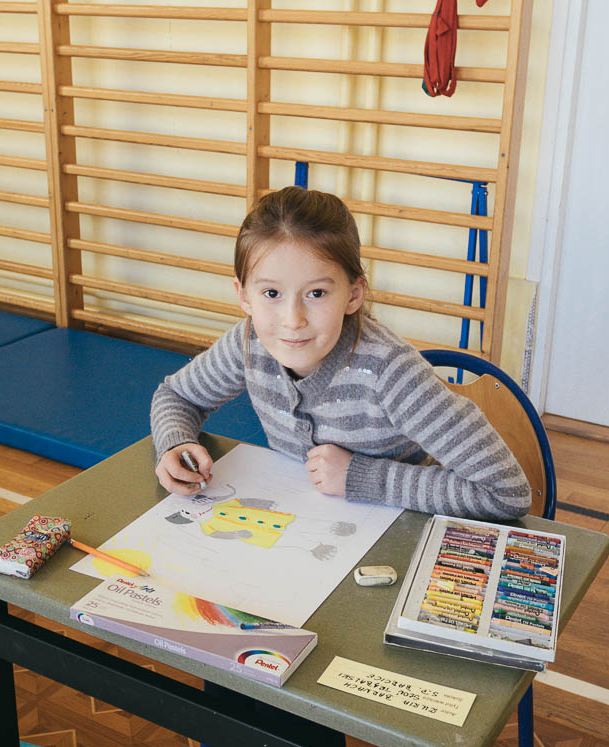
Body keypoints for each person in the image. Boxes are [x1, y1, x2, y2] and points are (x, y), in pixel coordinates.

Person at [151, 186, 530, 521]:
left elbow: (507, 493)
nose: (293, 320)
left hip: (398, 534)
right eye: (271, 293)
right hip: (305, 526)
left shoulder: (390, 372)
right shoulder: (248, 342)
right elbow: (177, 395)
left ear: (353, 294)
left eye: (316, 293)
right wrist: (176, 442)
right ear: (243, 296)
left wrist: (361, 477)